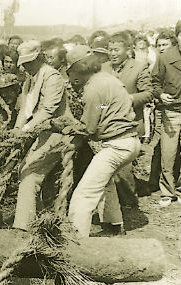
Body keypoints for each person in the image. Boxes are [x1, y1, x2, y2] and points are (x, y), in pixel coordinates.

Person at [65, 46, 141, 237]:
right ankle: (113, 225)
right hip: (129, 141)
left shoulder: (93, 89)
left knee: (84, 194)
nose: (73, 78)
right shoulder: (107, 78)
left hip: (117, 145)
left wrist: (66, 128)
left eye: (72, 72)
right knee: (105, 182)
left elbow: (88, 128)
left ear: (80, 69)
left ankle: (76, 239)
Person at [11, 40, 70, 231]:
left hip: (59, 133)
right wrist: (17, 129)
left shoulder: (52, 77)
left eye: (29, 62)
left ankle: (22, 227)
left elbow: (48, 110)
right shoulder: (30, 79)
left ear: (39, 58)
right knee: (24, 170)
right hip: (41, 132)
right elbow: (24, 109)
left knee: (30, 172)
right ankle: (38, 220)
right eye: (24, 63)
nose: (25, 66)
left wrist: (26, 130)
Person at [101, 32, 154, 207]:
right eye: (110, 49)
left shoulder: (138, 67)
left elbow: (148, 93)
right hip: (107, 125)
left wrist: (129, 99)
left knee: (124, 168)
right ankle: (114, 204)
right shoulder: (104, 68)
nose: (113, 53)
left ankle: (130, 204)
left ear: (128, 49)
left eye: (117, 49)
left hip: (129, 125)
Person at [151, 20, 181, 207]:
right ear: (177, 37)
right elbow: (154, 82)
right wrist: (160, 94)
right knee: (168, 153)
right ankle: (168, 192)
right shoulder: (165, 58)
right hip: (172, 112)